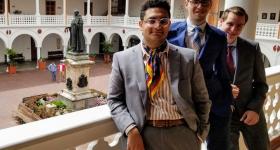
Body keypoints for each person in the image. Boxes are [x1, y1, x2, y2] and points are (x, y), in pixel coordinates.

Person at [107, 0, 211, 150]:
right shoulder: (122, 59)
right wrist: (131, 130)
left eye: (163, 21)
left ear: (169, 24)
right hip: (143, 135)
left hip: (183, 135)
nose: (158, 26)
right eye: (152, 21)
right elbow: (114, 100)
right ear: (141, 24)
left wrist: (201, 133)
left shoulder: (188, 58)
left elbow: (203, 99)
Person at [167, 0, 232, 149]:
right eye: (195, 1)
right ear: (186, 3)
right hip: (177, 102)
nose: (200, 6)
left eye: (204, 3)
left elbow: (222, 72)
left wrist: (227, 102)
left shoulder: (219, 36)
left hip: (211, 100)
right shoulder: (170, 31)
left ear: (210, 6)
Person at [219, 6, 270, 150]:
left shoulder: (252, 47)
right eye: (230, 24)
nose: (234, 29)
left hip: (251, 111)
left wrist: (255, 108)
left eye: (239, 26)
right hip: (224, 115)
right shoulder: (208, 48)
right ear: (221, 21)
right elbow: (202, 81)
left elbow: (261, 84)